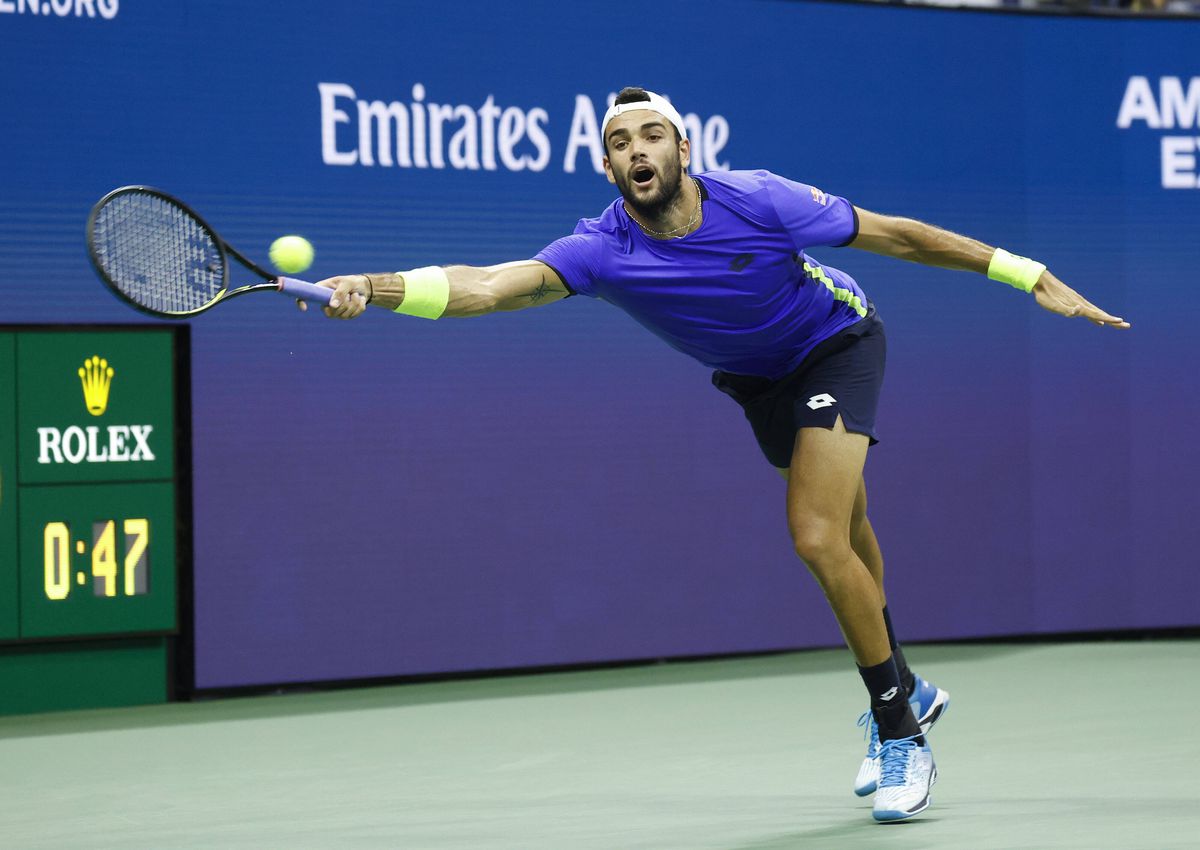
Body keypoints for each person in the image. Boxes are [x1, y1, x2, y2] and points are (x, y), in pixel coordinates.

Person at [307, 87, 1129, 823]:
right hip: (756, 381)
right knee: (846, 529)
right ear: (606, 166)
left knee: (814, 534)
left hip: (837, 342)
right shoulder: (599, 249)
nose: (639, 150)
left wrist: (1025, 274)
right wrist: (374, 287)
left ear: (683, 149)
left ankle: (900, 730)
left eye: (653, 135)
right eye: (622, 142)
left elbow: (899, 238)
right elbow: (485, 286)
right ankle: (907, 682)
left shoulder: (761, 200)